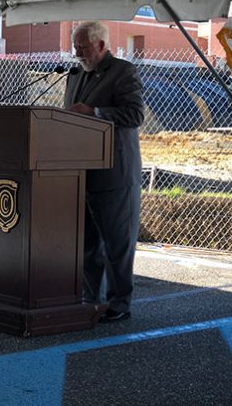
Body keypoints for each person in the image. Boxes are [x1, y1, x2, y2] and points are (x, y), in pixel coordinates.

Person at [64, 21, 144, 322]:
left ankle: (119, 304)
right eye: (75, 47)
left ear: (100, 45)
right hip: (81, 173)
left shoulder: (123, 71)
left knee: (116, 245)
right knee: (87, 246)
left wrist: (96, 112)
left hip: (115, 174)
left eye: (82, 48)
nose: (77, 53)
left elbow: (135, 114)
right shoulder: (75, 75)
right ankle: (90, 299)